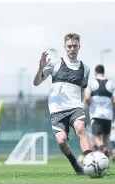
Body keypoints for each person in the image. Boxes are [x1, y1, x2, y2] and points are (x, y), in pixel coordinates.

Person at [33, 33, 92, 175]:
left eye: (75, 46)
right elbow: (36, 83)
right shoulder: (55, 63)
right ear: (65, 47)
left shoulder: (85, 69)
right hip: (57, 110)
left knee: (80, 129)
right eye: (69, 46)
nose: (72, 49)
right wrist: (40, 68)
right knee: (61, 140)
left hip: (75, 107)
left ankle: (91, 162)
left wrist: (83, 106)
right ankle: (75, 164)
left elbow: (83, 89)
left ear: (79, 47)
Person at [85, 65, 115, 157]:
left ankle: (104, 150)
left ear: (96, 72)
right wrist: (107, 103)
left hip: (96, 115)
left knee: (96, 138)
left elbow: (87, 97)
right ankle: (106, 161)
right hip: (108, 115)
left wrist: (89, 104)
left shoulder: (91, 83)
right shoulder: (112, 84)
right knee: (105, 140)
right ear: (104, 72)